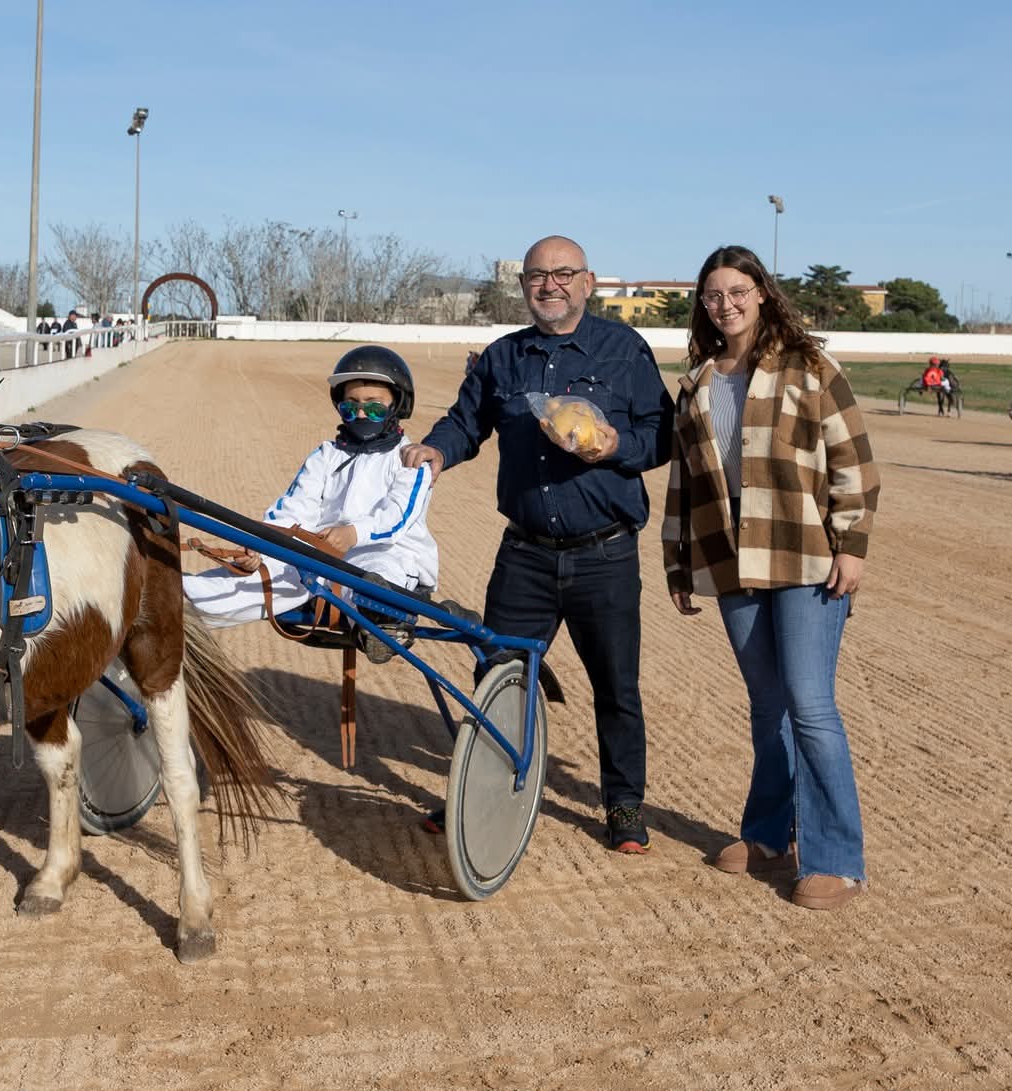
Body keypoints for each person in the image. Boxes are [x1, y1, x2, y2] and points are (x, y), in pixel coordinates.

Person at [403, 235, 672, 854]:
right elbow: (467, 420)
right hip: (523, 554)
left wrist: (614, 447)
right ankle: (476, 793)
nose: (549, 285)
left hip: (604, 554)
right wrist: (438, 448)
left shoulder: (623, 350)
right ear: (522, 285)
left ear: (588, 281)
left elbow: (662, 435)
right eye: (536, 277)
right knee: (496, 677)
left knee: (616, 685)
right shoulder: (504, 357)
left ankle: (624, 805)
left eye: (563, 274)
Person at [665, 246, 878, 911]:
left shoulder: (808, 366)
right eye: (711, 295)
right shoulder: (699, 379)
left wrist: (853, 546)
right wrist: (678, 561)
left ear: (761, 291)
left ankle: (837, 857)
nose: (723, 305)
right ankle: (767, 836)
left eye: (735, 291)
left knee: (810, 703)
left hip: (805, 555)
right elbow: (685, 482)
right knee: (768, 704)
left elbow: (854, 461)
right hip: (732, 561)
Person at [185, 346, 438, 662]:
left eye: (373, 409)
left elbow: (397, 517)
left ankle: (382, 624)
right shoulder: (325, 455)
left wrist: (353, 534)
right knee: (236, 582)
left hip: (387, 554)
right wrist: (259, 552)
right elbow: (294, 509)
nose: (361, 415)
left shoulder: (410, 460)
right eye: (351, 408)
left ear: (397, 406)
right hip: (320, 560)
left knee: (375, 577)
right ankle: (165, 598)